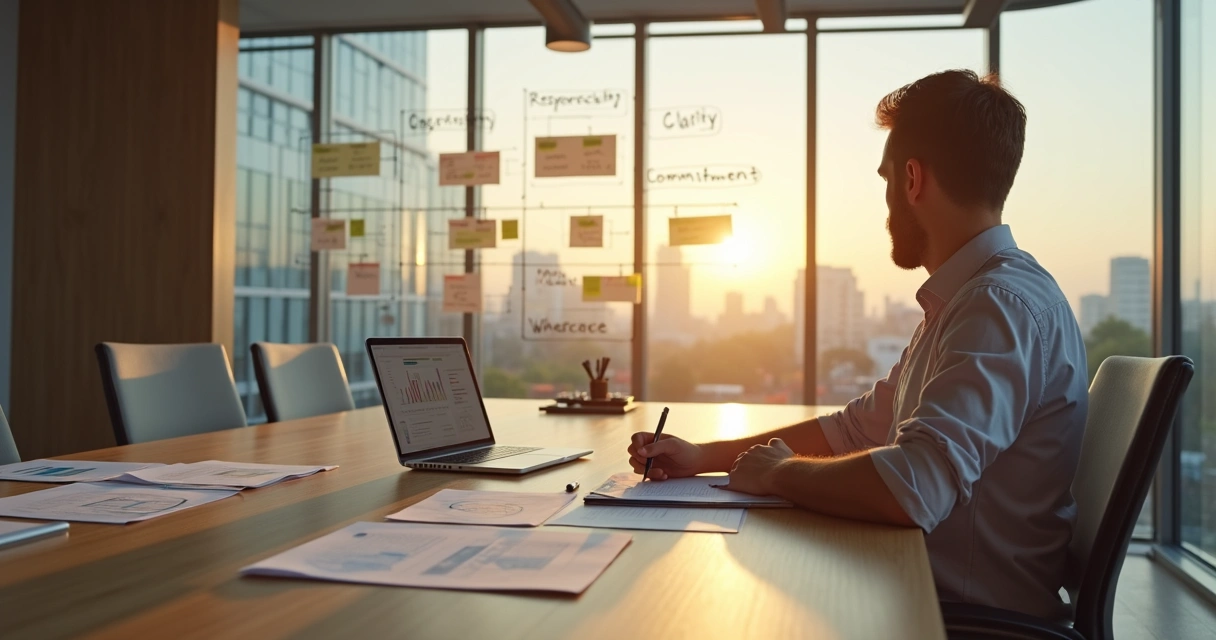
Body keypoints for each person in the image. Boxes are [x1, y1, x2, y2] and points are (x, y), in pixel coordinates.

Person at [628, 70, 1088, 620]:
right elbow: (854, 429)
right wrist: (705, 457)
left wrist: (778, 473)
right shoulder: (968, 299)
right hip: (917, 589)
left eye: (886, 179)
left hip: (956, 617)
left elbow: (914, 488)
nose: (887, 202)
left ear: (912, 179)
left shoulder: (995, 306)